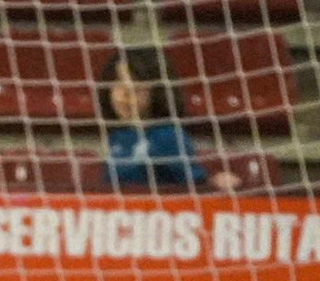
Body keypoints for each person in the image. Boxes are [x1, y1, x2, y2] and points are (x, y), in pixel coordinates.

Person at [99, 48, 241, 193]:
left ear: (157, 90)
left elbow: (195, 185)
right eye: (117, 82)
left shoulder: (168, 136)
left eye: (135, 86)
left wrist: (215, 182)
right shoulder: (118, 137)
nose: (123, 95)